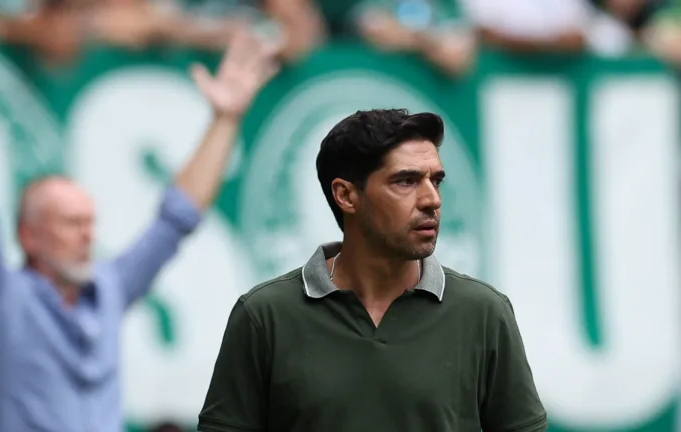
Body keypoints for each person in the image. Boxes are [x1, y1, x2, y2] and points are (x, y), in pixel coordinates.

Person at [0, 11, 279, 432]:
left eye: (90, 222)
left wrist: (225, 119)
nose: (88, 235)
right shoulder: (0, 299)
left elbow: (176, 219)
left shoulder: (108, 288)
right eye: (71, 223)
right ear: (28, 236)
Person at [199, 109, 547, 431]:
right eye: (406, 181)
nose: (432, 199)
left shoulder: (484, 313)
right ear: (346, 195)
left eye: (435, 181)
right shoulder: (264, 316)